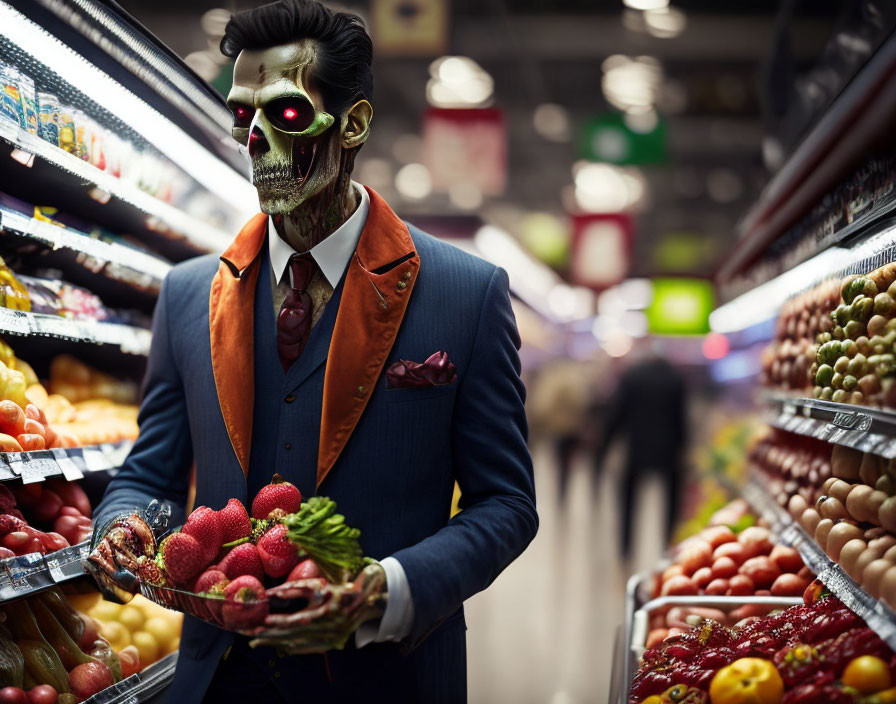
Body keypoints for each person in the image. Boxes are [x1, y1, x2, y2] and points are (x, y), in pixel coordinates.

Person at [90, 2, 538, 702]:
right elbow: (151, 470)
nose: (256, 141)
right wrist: (123, 523)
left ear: (353, 123)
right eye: (244, 118)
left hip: (387, 675)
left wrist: (386, 590)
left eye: (288, 115)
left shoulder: (465, 293)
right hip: (217, 681)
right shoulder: (186, 296)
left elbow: (506, 503)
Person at [595, 351, 687, 565]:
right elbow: (681, 420)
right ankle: (667, 547)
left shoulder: (632, 375)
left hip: (636, 448)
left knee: (627, 502)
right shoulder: (676, 377)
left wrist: (605, 445)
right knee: (670, 503)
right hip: (669, 450)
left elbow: (618, 414)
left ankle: (625, 550)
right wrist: (683, 449)